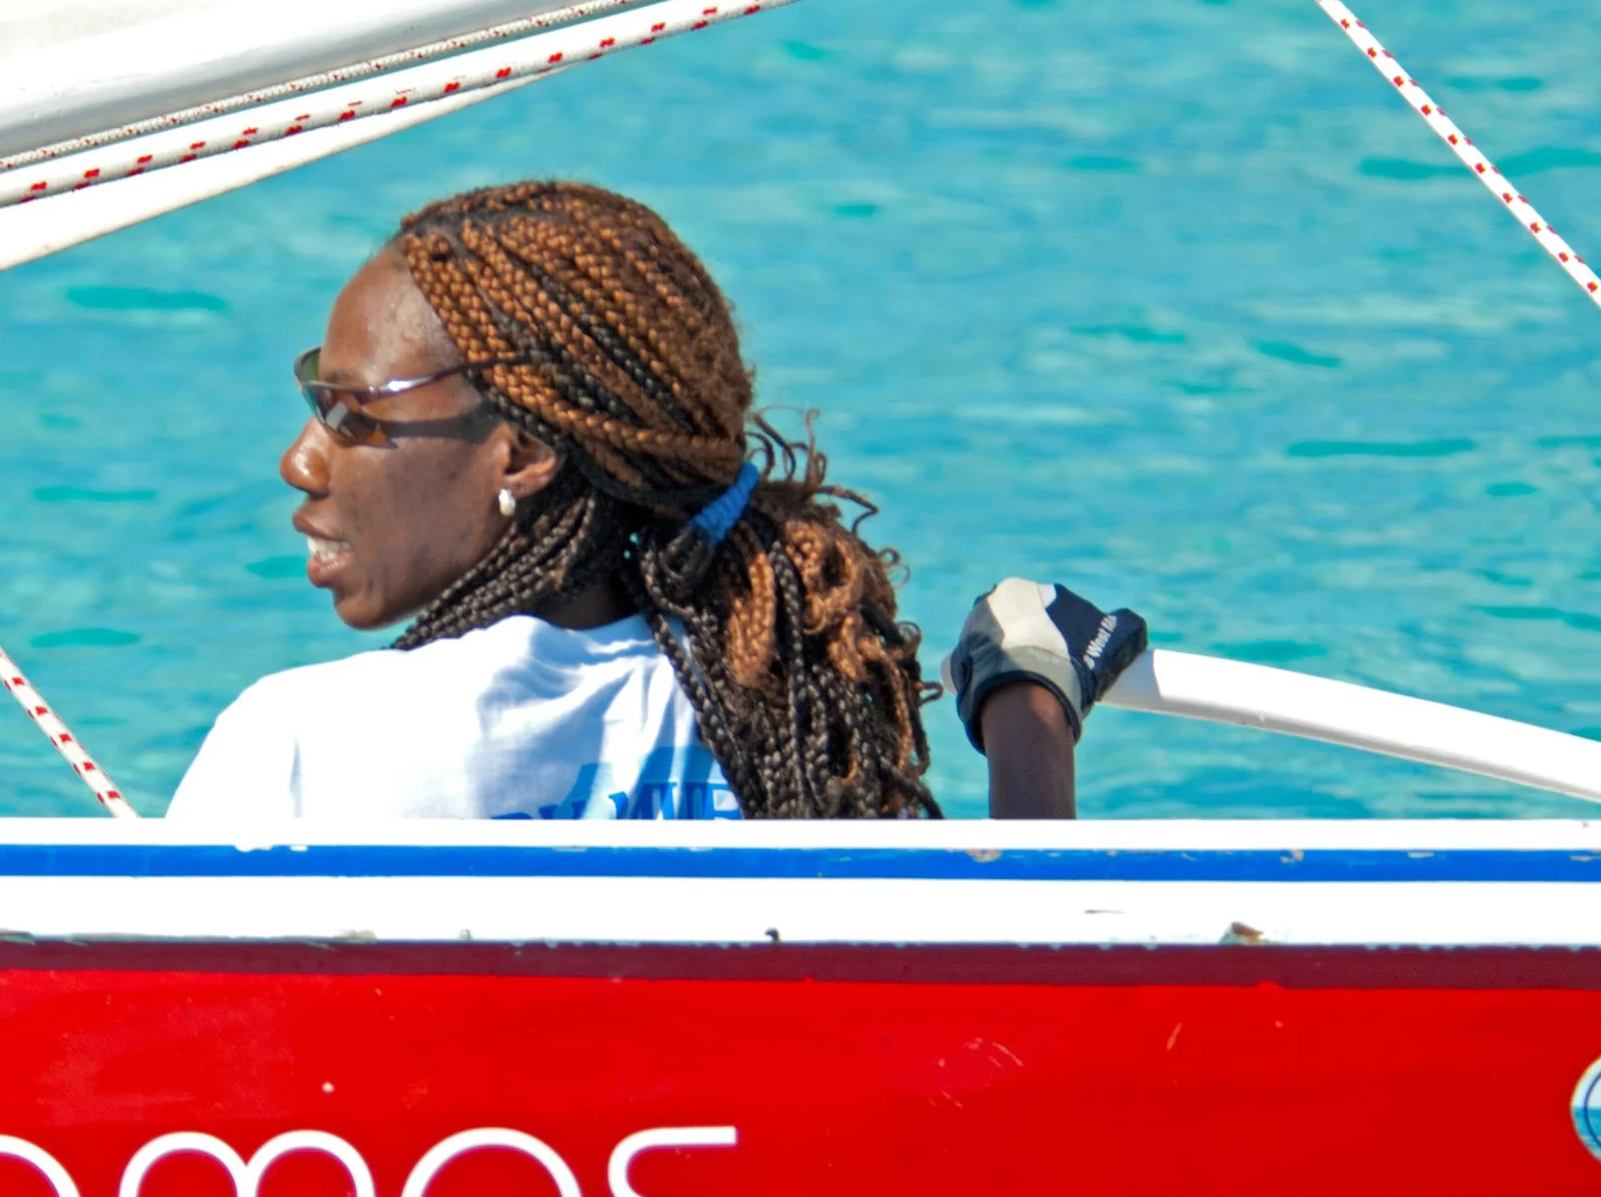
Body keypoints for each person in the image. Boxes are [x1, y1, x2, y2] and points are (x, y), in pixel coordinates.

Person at [166, 182, 1144, 819]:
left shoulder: (300, 749)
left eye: (349, 410)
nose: (302, 460)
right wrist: (1027, 714)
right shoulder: (789, 713)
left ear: (523, 454)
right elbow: (1000, 1013)